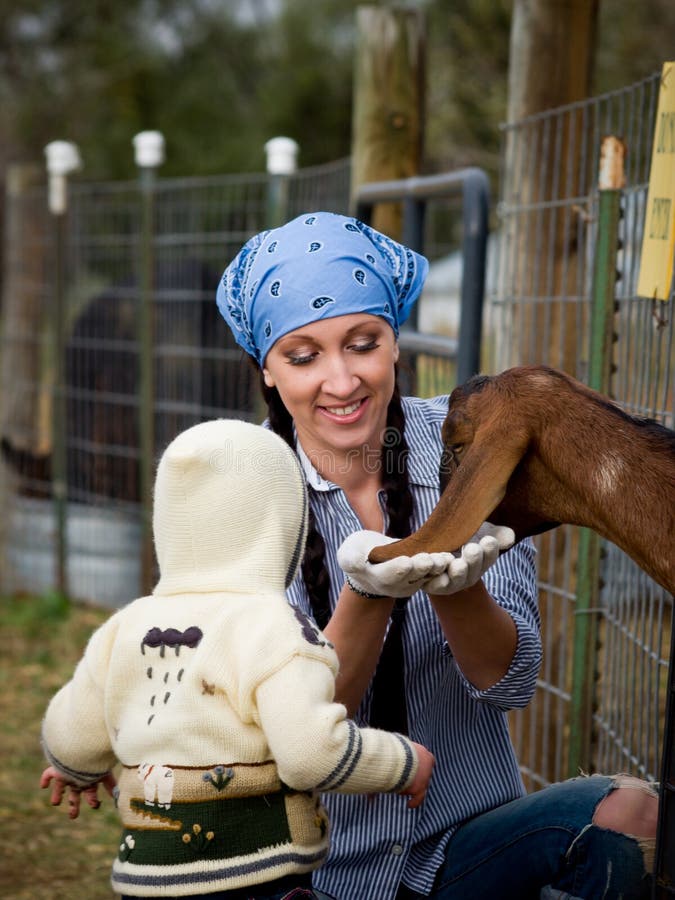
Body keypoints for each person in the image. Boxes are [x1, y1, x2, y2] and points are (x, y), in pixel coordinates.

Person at [213, 211, 659, 900]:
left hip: (463, 850)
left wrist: (456, 587)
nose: (339, 381)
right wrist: (372, 591)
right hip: (307, 865)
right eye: (303, 356)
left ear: (396, 342)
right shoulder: (239, 491)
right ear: (266, 370)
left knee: (632, 817)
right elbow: (295, 732)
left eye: (362, 344)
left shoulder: (471, 443)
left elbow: (508, 684)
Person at [40, 417, 437, 900]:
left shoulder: (126, 626)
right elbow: (310, 755)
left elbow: (71, 734)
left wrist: (72, 770)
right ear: (283, 525)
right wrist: (401, 762)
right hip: (257, 878)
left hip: (146, 882)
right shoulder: (272, 625)